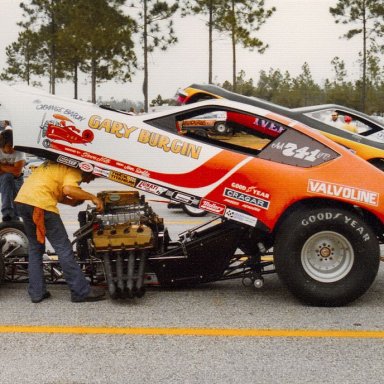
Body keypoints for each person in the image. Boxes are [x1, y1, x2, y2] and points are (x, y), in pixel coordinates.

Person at [15, 161, 106, 303]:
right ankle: (80, 292)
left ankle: (37, 292)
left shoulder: (57, 164)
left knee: (35, 248)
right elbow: (68, 189)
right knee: (63, 248)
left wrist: (71, 202)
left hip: (23, 200)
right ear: (87, 169)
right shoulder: (74, 169)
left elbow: (57, 191)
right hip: (40, 203)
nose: (88, 181)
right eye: (91, 177)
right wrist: (93, 197)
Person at [0, 129, 26, 221]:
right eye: (10, 146)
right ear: (2, 144)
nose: (13, 149)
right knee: (7, 177)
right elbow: (13, 170)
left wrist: (2, 166)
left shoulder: (19, 151)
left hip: (17, 179)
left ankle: (15, 216)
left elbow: (17, 172)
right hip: (2, 179)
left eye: (14, 146)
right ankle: (7, 213)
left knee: (20, 200)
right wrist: (10, 169)